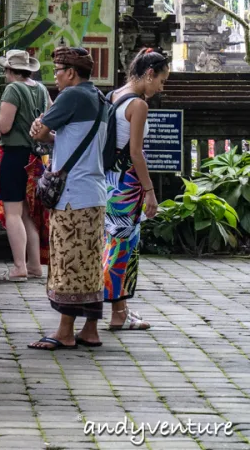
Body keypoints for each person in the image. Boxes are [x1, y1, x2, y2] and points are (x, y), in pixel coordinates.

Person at [28, 46, 109, 351]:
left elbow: (40, 130)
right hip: (95, 191)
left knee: (68, 262)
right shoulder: (101, 100)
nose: (56, 79)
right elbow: (66, 140)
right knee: (90, 264)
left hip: (73, 194)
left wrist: (41, 129)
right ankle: (90, 329)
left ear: (71, 73)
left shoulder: (72, 96)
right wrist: (46, 133)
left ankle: (64, 331)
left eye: (58, 72)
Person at [104, 49, 167, 330]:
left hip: (110, 182)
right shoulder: (138, 105)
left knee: (118, 244)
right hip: (128, 184)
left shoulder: (113, 95)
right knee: (124, 248)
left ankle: (122, 309)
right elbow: (136, 153)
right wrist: (150, 190)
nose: (160, 88)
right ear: (150, 74)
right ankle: (117, 311)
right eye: (161, 81)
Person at [0, 50, 51, 282]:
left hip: (15, 154)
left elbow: (4, 126)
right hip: (35, 156)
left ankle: (19, 267)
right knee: (28, 212)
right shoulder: (41, 89)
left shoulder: (13, 89)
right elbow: (50, 115)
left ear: (9, 70)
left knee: (13, 212)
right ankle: (34, 265)